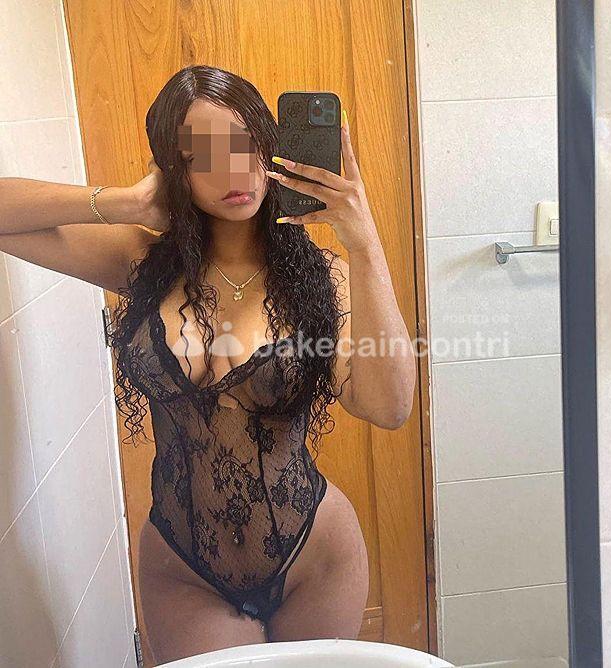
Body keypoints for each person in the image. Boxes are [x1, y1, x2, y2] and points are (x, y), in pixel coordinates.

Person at [0, 65, 415, 665]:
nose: (233, 172)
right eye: (202, 157)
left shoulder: (325, 281)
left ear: (271, 148)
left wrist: (364, 239)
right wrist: (123, 202)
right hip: (185, 567)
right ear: (174, 172)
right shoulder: (140, 262)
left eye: (244, 146)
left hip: (314, 555)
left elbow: (390, 407)